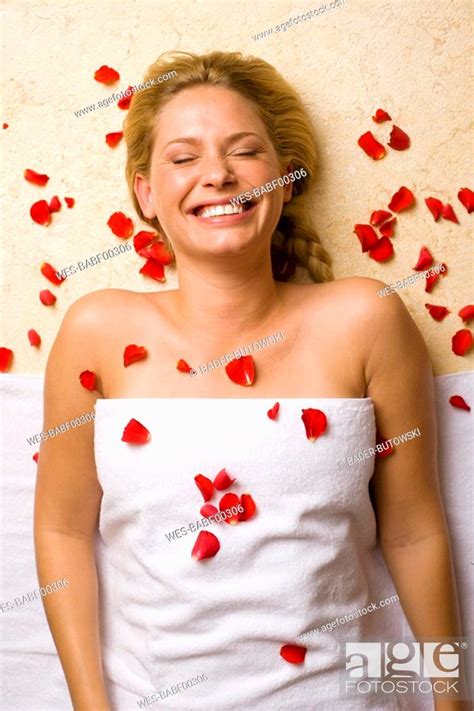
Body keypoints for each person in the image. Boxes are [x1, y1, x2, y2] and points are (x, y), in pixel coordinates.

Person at [34, 50, 468, 710]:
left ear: (285, 180)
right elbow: (62, 530)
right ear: (146, 194)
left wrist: (453, 698)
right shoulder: (97, 329)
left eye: (244, 151)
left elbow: (411, 531)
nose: (217, 174)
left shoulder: (364, 316)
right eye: (183, 158)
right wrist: (91, 705)